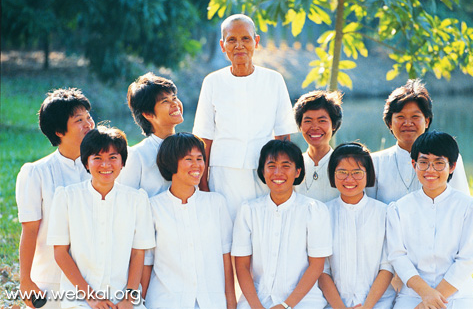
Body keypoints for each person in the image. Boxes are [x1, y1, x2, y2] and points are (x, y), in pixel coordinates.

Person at [192, 14, 297, 219]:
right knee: (227, 236)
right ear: (223, 45)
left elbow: (283, 137)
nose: (239, 45)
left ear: (256, 42)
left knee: (262, 232)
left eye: (245, 39)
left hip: (265, 172)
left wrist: (282, 178)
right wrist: (203, 185)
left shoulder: (274, 80)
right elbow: (204, 138)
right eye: (232, 40)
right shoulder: (212, 82)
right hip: (223, 173)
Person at [47, 126, 155, 308]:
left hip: (124, 299)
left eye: (113, 158)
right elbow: (60, 253)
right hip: (80, 300)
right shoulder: (67, 197)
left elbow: (138, 253)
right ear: (86, 163)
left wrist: (129, 297)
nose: (105, 165)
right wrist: (91, 297)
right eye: (97, 158)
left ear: (122, 162)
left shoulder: (137, 199)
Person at [387, 131, 473, 309]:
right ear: (414, 164)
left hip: (458, 296)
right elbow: (398, 256)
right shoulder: (399, 209)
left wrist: (432, 301)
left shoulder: (471, 208)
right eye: (424, 162)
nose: (430, 170)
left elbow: (467, 260)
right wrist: (425, 294)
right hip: (412, 296)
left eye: (439, 163)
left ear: (452, 166)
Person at [16, 88, 95, 308]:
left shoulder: (102, 168)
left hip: (95, 279)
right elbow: (30, 230)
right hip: (51, 281)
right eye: (79, 120)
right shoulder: (36, 173)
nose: (88, 124)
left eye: (89, 117)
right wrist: (25, 280)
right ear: (59, 131)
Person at [232, 140, 332, 309]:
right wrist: (257, 307)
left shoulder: (313, 210)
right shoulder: (248, 210)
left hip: (304, 301)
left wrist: (286, 305)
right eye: (271, 166)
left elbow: (317, 266)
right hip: (256, 299)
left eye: (286, 166)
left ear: (298, 171)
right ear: (263, 171)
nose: (278, 172)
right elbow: (241, 266)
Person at [143, 133, 236, 309]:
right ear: (171, 163)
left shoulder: (216, 203)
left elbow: (226, 259)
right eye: (188, 159)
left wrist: (231, 304)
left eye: (200, 159)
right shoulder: (153, 207)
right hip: (165, 303)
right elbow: (147, 262)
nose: (197, 165)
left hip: (212, 303)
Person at [366, 79, 469, 205]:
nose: (408, 123)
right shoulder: (374, 162)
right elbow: (368, 209)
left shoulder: (448, 157)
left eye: (415, 117)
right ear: (389, 123)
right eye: (400, 117)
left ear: (426, 121)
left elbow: (462, 203)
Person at [319, 142, 395, 309]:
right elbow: (322, 270)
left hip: (379, 304)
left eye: (357, 172)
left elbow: (387, 267)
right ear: (332, 174)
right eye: (342, 172)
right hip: (333, 304)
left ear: (368, 174)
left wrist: (367, 307)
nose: (349, 179)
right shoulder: (322, 213)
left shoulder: (385, 213)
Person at [118, 72, 183, 197]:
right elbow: (127, 200)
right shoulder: (137, 155)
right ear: (148, 114)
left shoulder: (189, 148)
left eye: (174, 98)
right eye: (165, 101)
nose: (175, 104)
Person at [293, 90, 343, 202]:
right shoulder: (293, 165)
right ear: (300, 125)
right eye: (308, 121)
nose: (315, 127)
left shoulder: (345, 165)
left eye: (322, 121)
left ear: (334, 125)